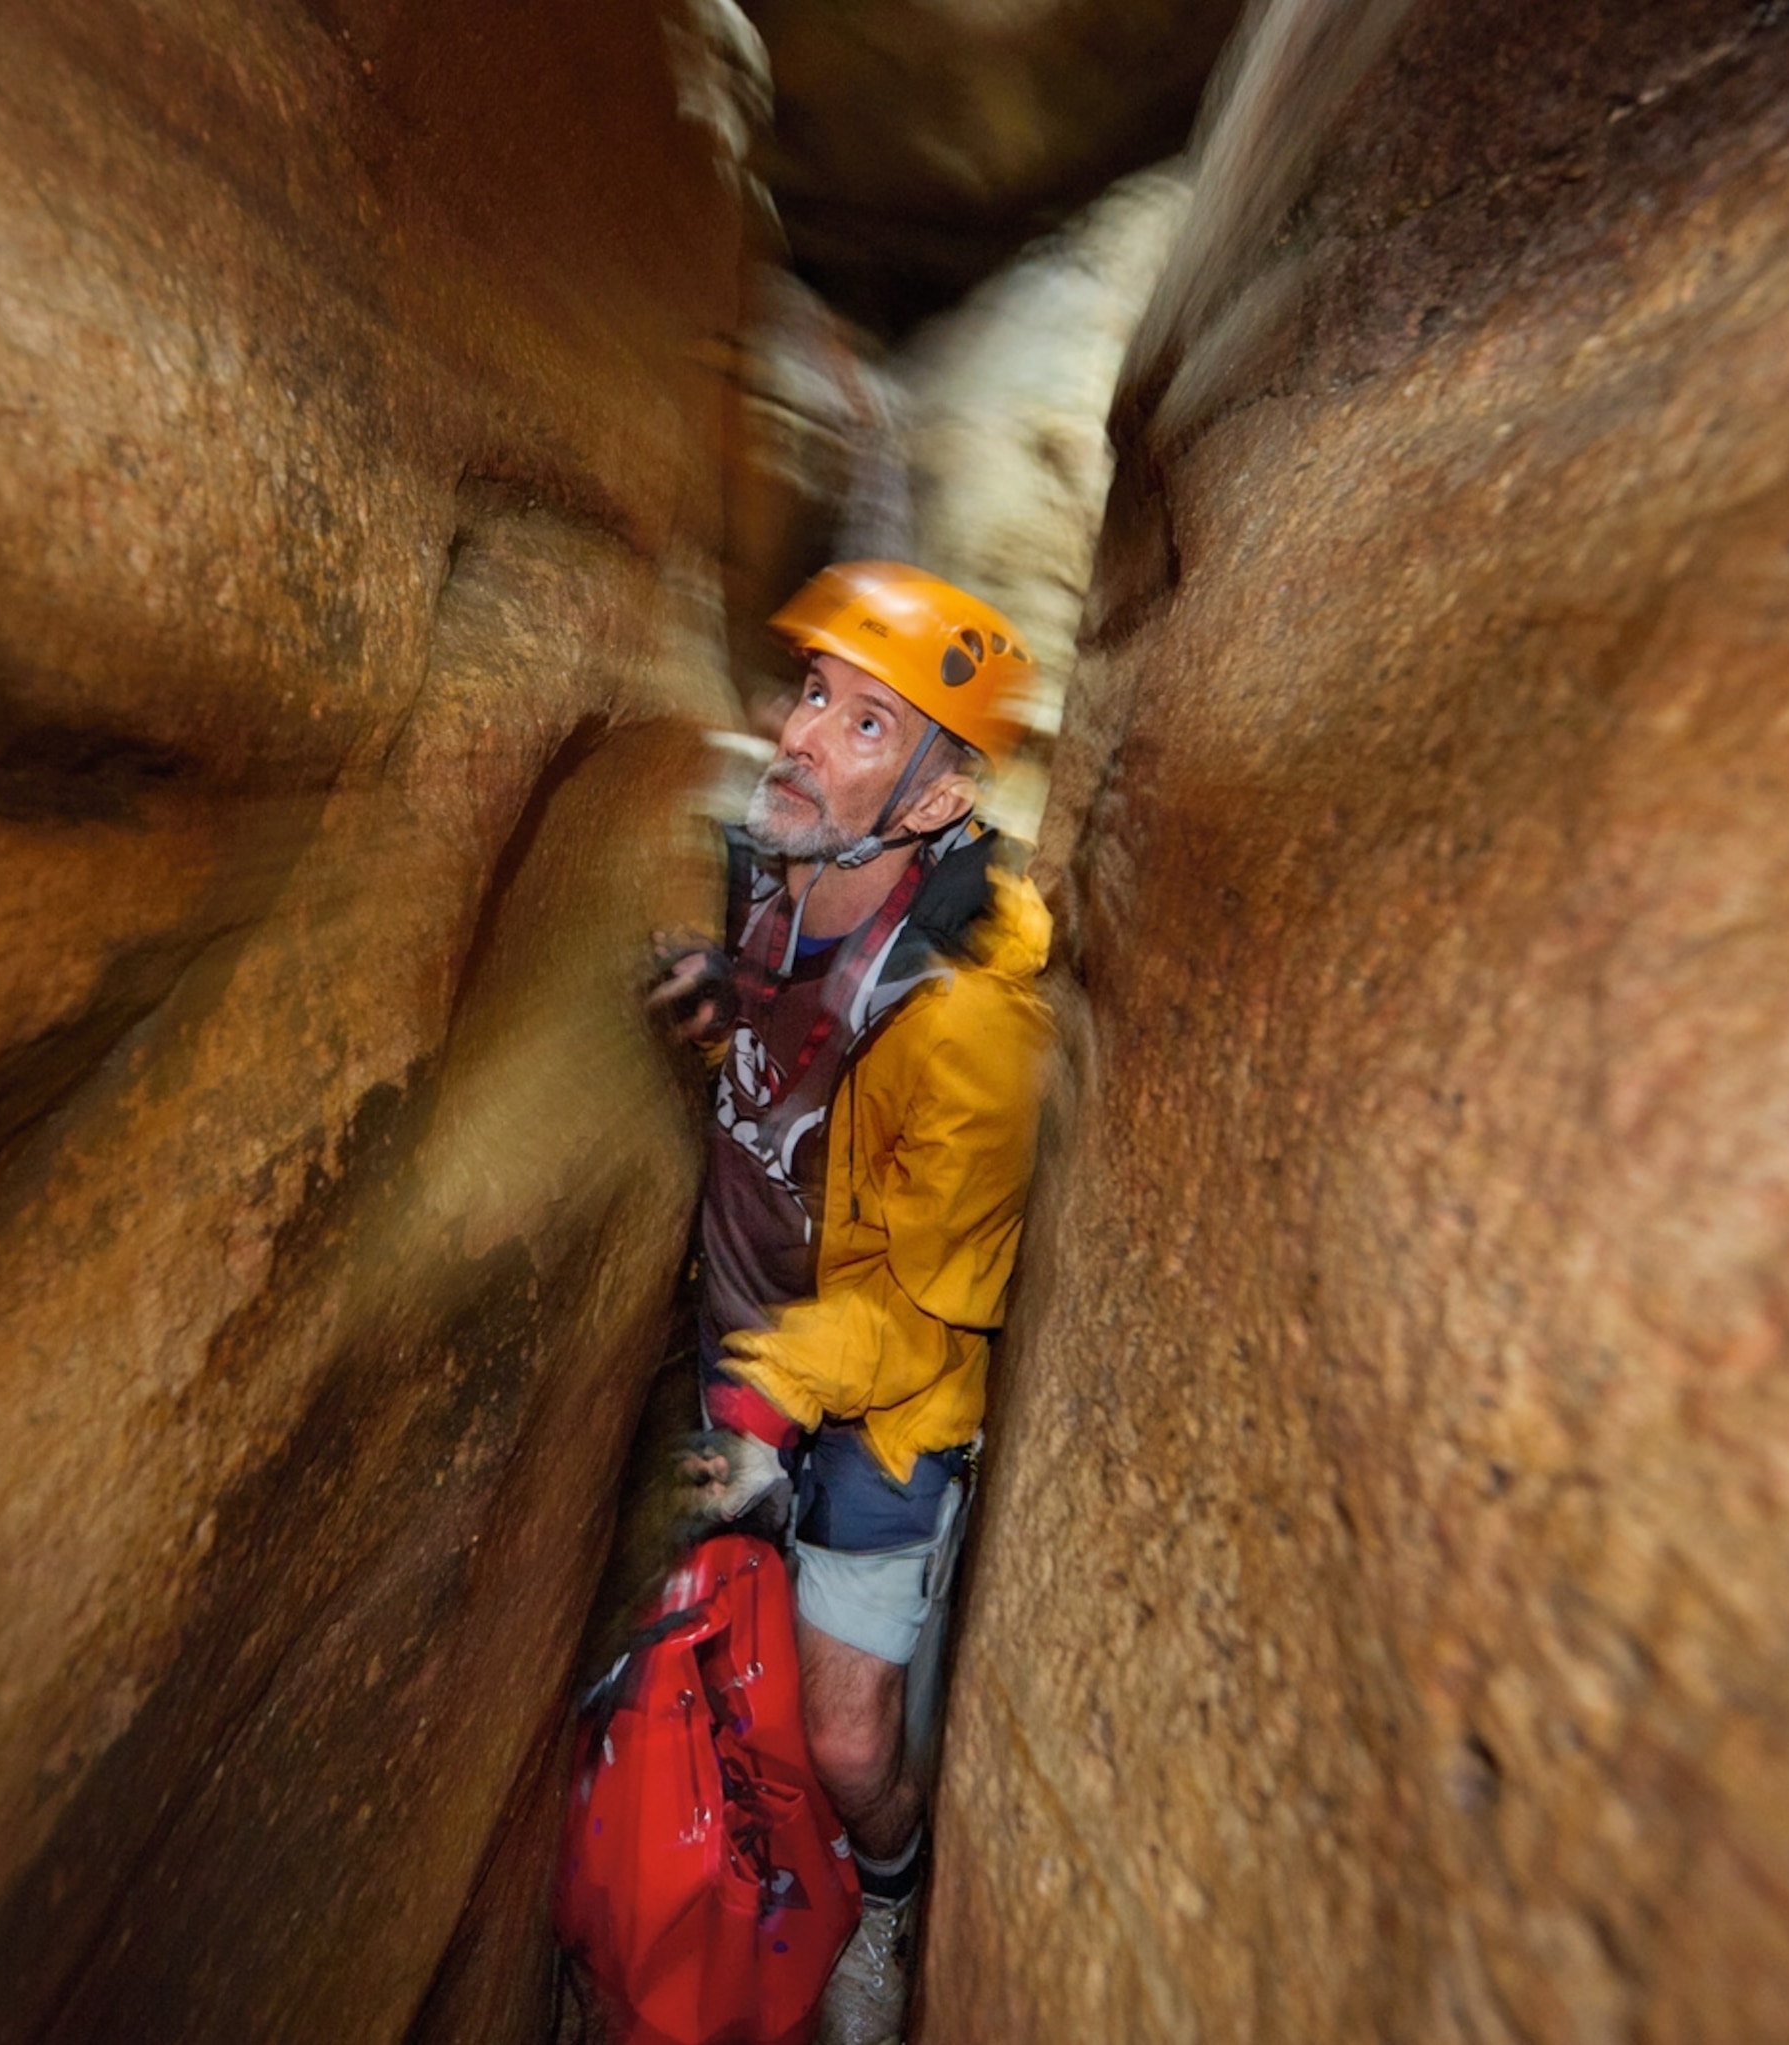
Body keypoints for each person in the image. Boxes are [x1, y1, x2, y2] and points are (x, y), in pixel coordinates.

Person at [648, 561, 1053, 2045]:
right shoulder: (781, 867)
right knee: (735, 1660)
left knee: (844, 1730)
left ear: (939, 802)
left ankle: (887, 1897)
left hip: (877, 1402)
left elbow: (933, 1316)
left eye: (866, 725)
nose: (805, 736)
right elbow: (788, 1061)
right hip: (750, 1341)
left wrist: (765, 1408)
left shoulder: (968, 1031)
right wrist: (717, 994)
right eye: (812, 693)